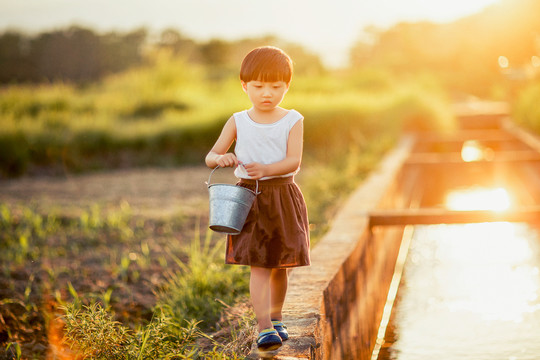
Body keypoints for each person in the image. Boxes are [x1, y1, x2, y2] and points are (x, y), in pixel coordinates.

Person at [205, 46, 310, 352]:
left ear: (287, 86)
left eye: (276, 87)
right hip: (249, 197)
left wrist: (266, 168)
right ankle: (263, 326)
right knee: (259, 265)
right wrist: (221, 158)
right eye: (259, 86)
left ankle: (277, 318)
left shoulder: (292, 119)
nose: (267, 93)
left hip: (283, 194)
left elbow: (294, 161)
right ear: (245, 86)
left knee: (281, 264)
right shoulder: (238, 120)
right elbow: (211, 155)